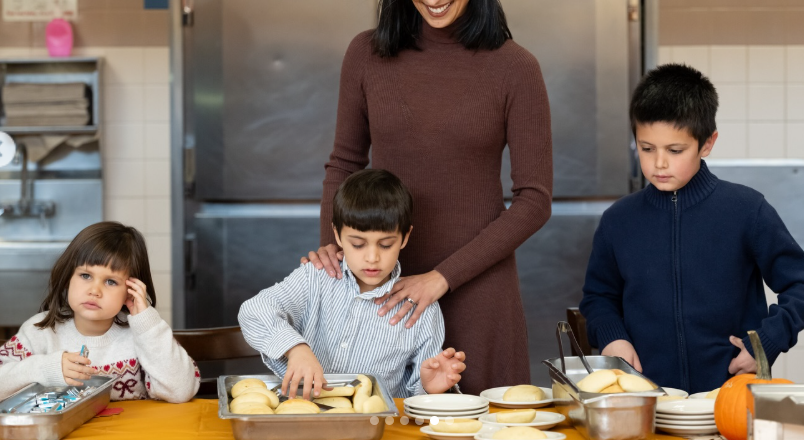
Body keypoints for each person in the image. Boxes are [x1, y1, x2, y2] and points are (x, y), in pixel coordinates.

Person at [302, 0, 553, 395]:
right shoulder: (366, 54)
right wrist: (336, 249)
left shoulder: (515, 68)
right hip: (384, 290)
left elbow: (534, 199)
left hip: (479, 293)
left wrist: (442, 277)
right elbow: (345, 163)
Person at [580, 63, 804, 394]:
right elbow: (598, 297)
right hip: (647, 400)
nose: (659, 163)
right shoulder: (618, 220)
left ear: (707, 143)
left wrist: (767, 342)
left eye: (675, 150)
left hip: (731, 398)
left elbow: (799, 283)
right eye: (646, 148)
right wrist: (612, 336)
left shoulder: (746, 210)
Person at [240, 169, 466, 400]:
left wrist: (430, 388)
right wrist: (296, 349)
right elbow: (254, 311)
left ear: (405, 237)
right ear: (337, 235)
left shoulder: (421, 307)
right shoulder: (315, 278)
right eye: (358, 244)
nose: (372, 257)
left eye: (386, 244)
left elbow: (415, 399)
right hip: (302, 418)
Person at [0, 222, 200, 402]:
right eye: (85, 275)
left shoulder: (143, 335)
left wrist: (148, 323)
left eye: (111, 281)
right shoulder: (39, 331)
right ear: (68, 277)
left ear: (130, 291)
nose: (94, 291)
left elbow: (180, 391)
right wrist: (44, 369)